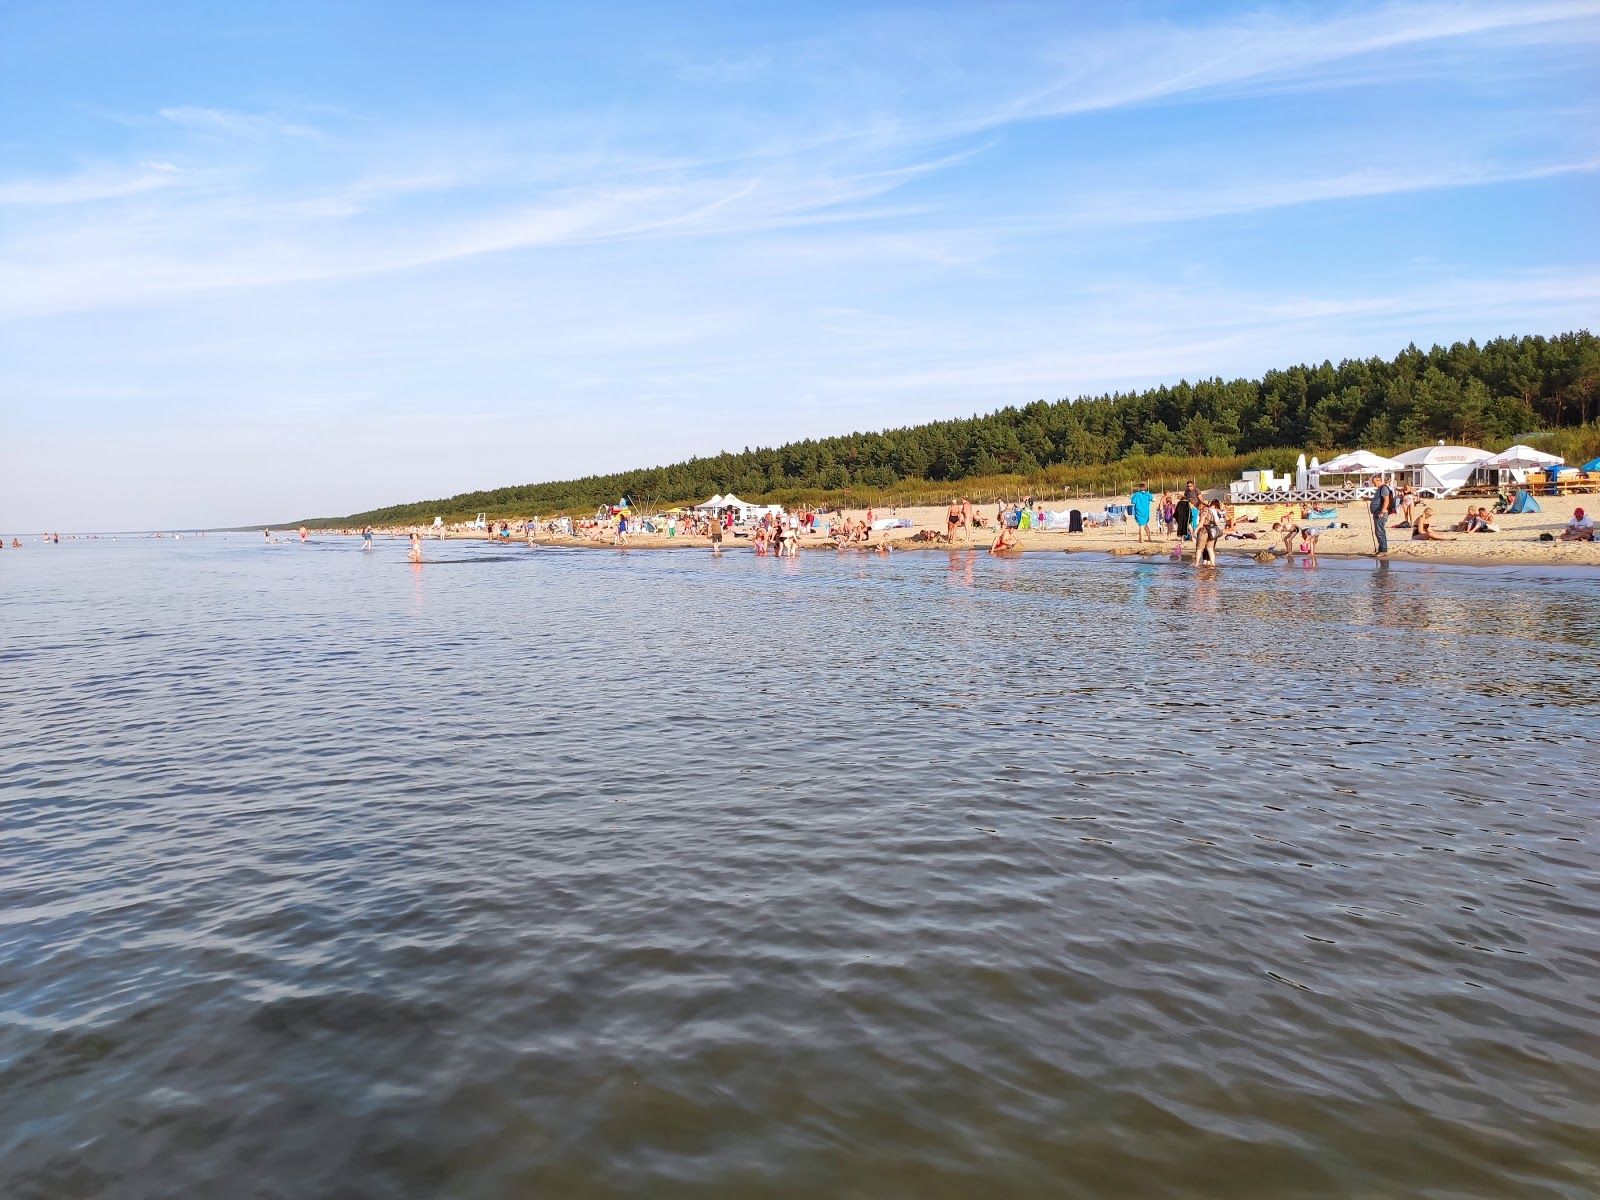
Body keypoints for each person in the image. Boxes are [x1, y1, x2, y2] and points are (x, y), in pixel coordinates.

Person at [1369, 472, 1395, 556]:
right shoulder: (1380, 489)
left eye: (1374, 482)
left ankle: (1383, 550)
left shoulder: (1383, 488)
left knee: (1380, 532)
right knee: (1378, 532)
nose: (1373, 484)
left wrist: (1382, 511)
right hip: (1377, 512)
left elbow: (1386, 500)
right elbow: (1379, 499)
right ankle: (1381, 549)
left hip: (1381, 513)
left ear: (1379, 480)